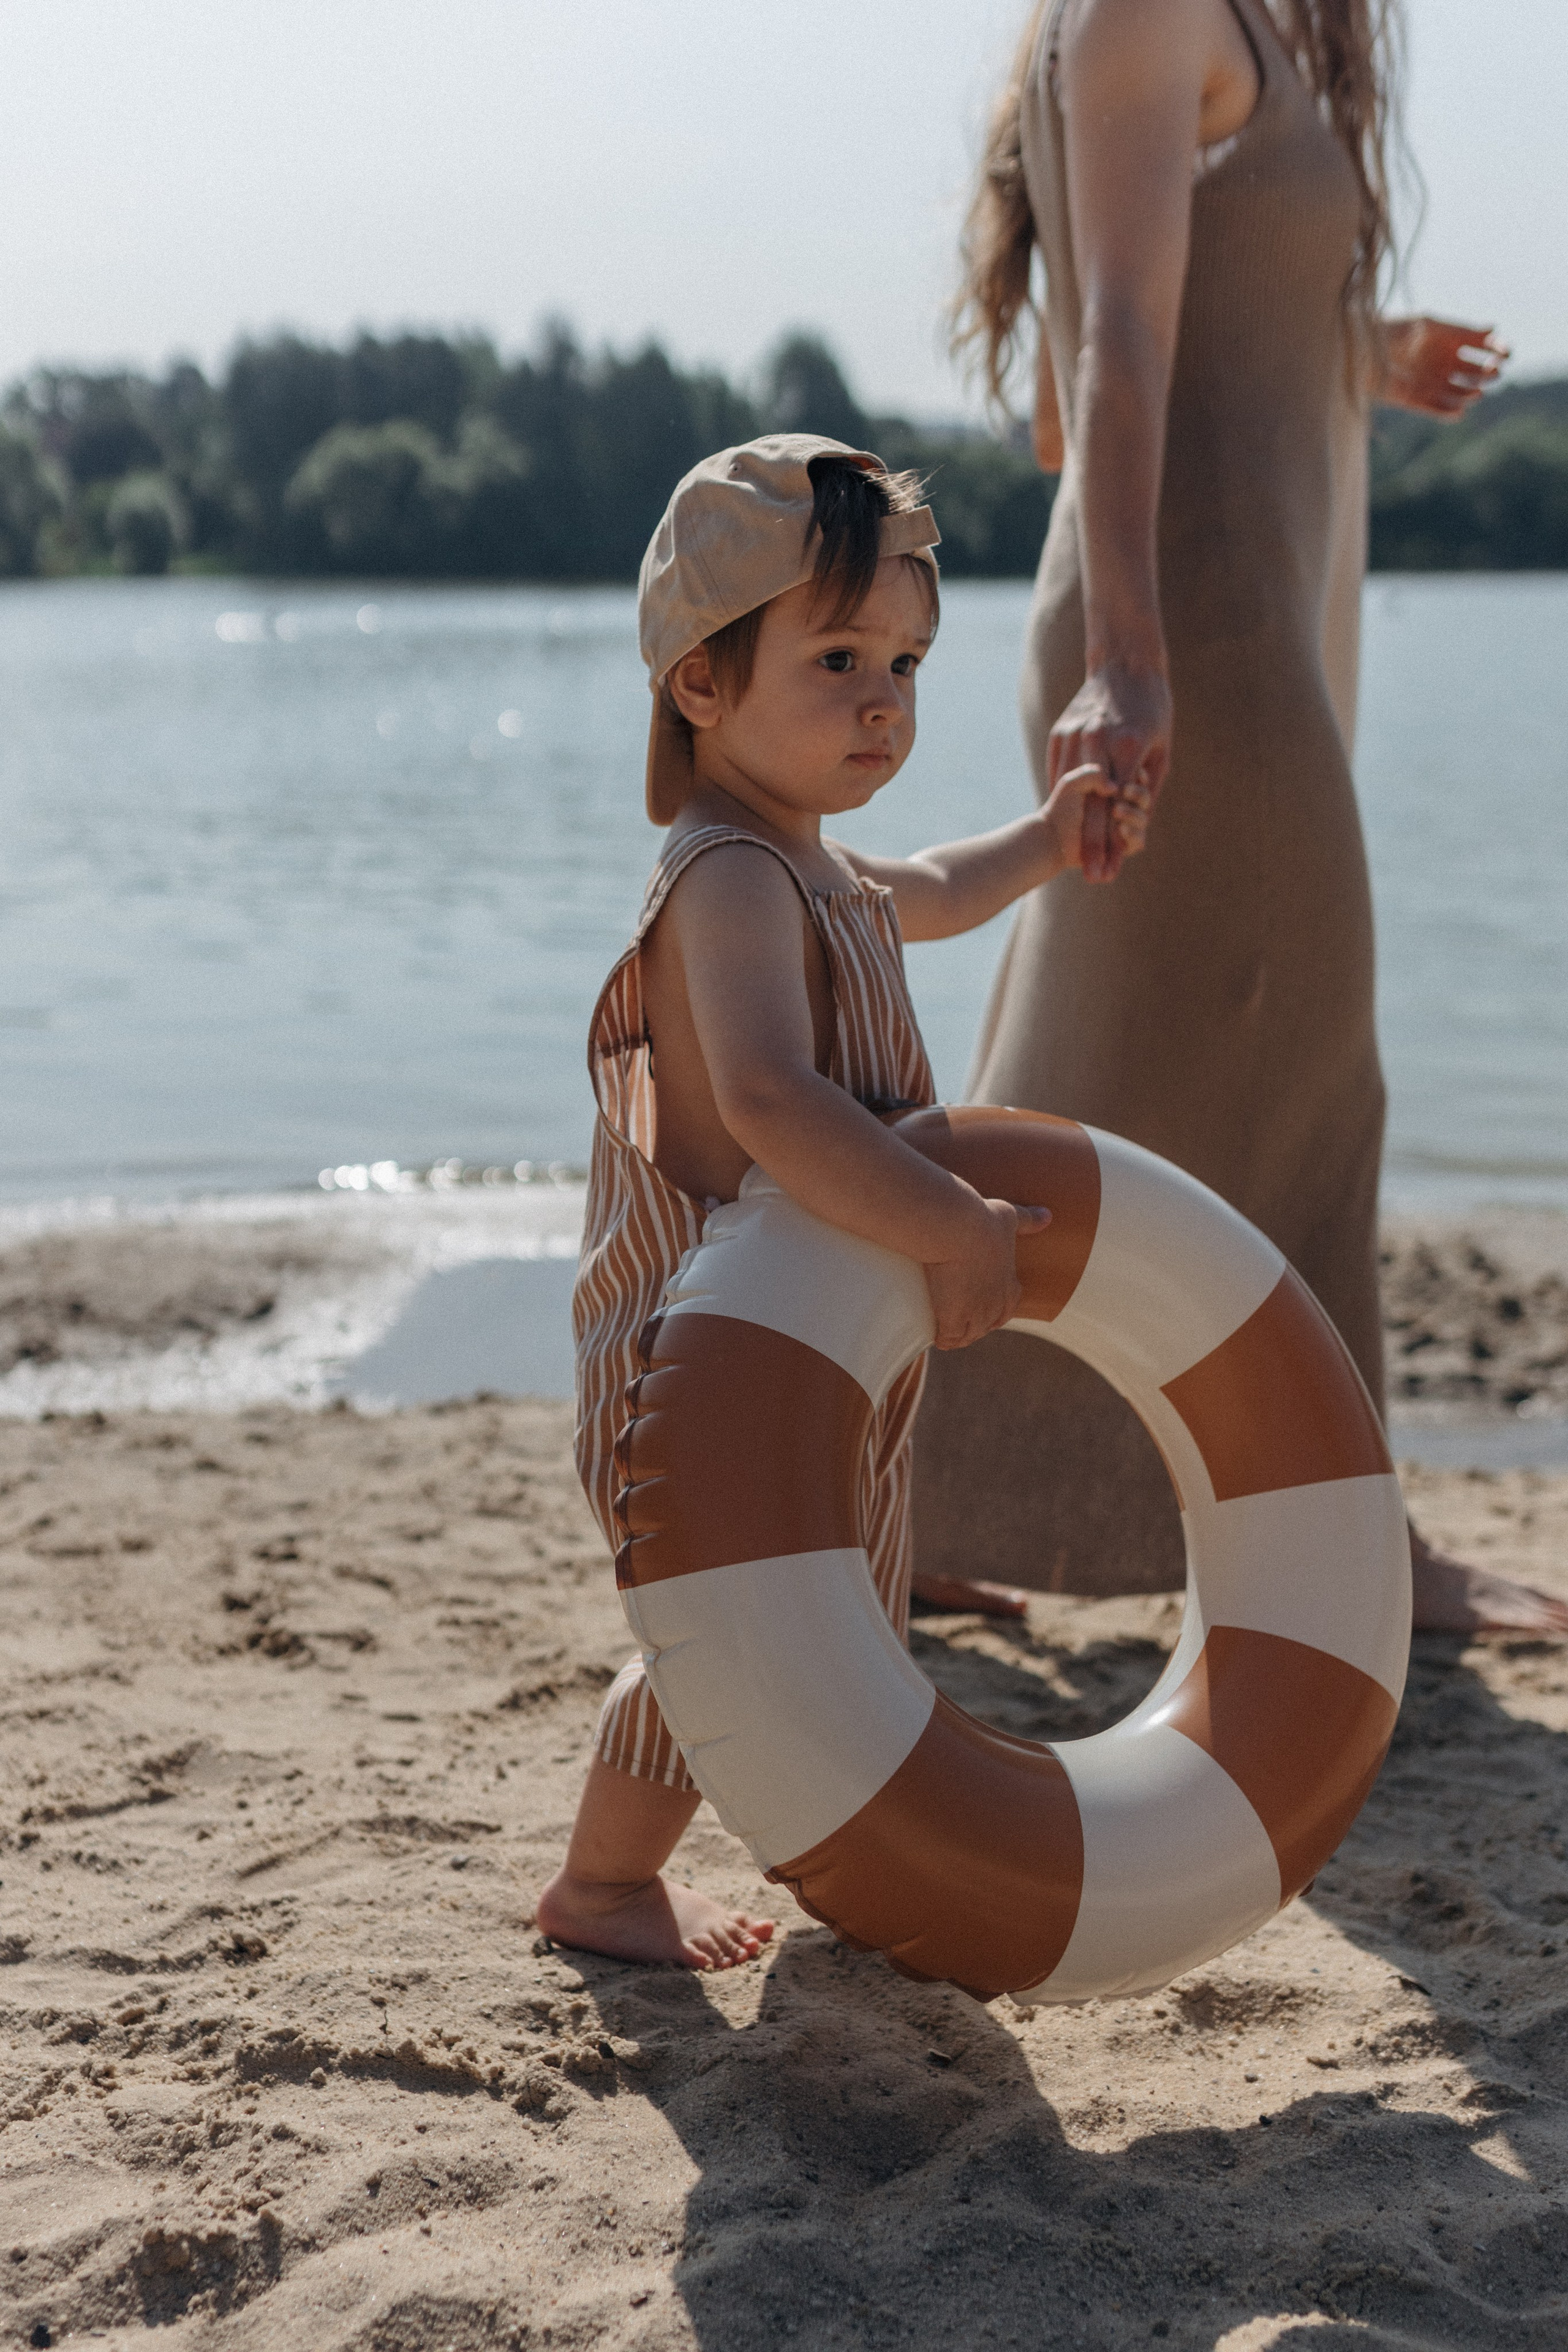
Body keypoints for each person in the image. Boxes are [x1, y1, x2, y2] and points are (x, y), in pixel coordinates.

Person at [913, 0, 1568, 1637]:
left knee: (1089, 1067)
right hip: (1182, 640)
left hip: (1232, 623)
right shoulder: (1148, 11)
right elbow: (1114, 351)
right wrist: (1130, 664)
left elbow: (1187, 329)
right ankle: (1350, 1547)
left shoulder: (1257, 28)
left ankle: (899, 1494)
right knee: (1307, 1070)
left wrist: (1358, 344)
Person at [537, 435, 1148, 1969]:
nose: (884, 697)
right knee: (713, 1649)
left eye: (906, 661)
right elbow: (764, 1099)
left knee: (829, 1616)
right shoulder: (728, 879)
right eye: (835, 659)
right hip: (691, 1358)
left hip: (807, 1353)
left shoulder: (814, 867)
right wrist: (945, 1222)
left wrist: (1051, 837)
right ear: (699, 683)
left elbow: (928, 889)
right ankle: (602, 1886)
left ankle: (832, 1862)